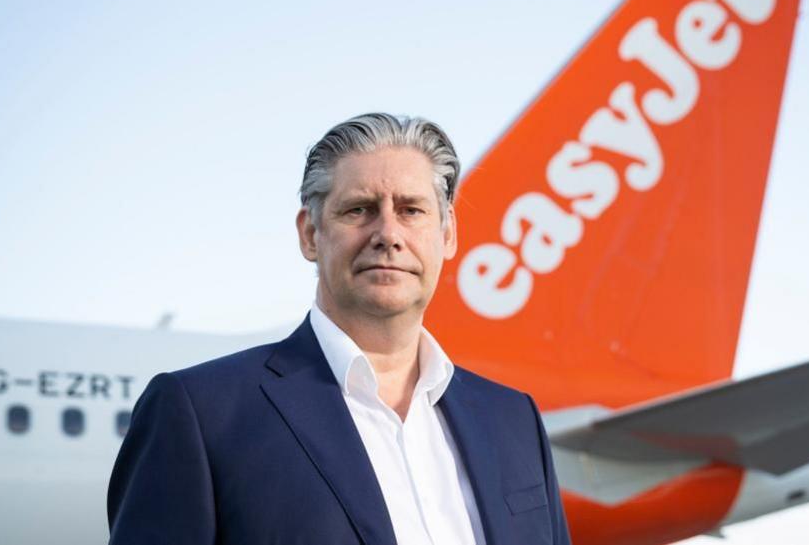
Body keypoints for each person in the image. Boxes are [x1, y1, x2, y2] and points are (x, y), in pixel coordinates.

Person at [107, 113, 571, 545]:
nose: (388, 233)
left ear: (448, 235)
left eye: (411, 210)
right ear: (310, 234)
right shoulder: (200, 414)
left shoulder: (514, 421)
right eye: (359, 210)